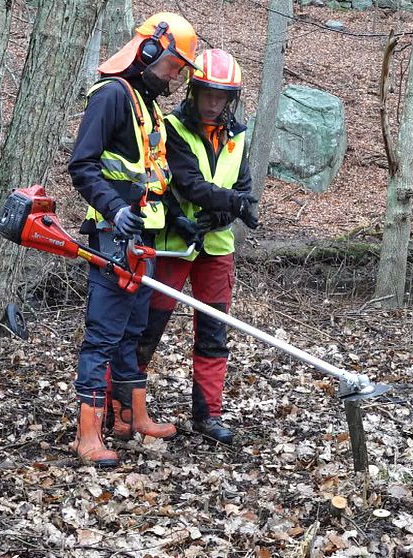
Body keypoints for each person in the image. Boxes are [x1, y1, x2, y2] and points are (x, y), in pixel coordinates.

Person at [67, 13, 198, 466]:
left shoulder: (146, 103)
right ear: (149, 52)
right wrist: (115, 209)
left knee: (133, 332)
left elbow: (154, 177)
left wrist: (179, 220)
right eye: (174, 68)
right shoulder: (110, 98)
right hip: (112, 236)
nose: (176, 78)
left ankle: (132, 417)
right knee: (104, 334)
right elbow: (82, 166)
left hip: (146, 236)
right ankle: (88, 434)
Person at [135, 48, 259, 446]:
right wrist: (232, 206)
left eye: (220, 97)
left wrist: (222, 215)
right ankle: (120, 406)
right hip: (174, 245)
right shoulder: (171, 128)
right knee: (147, 329)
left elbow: (242, 187)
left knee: (214, 332)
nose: (212, 103)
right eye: (206, 94)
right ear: (193, 91)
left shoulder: (238, 136)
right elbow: (187, 184)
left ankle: (209, 414)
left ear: (230, 99)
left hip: (217, 248)